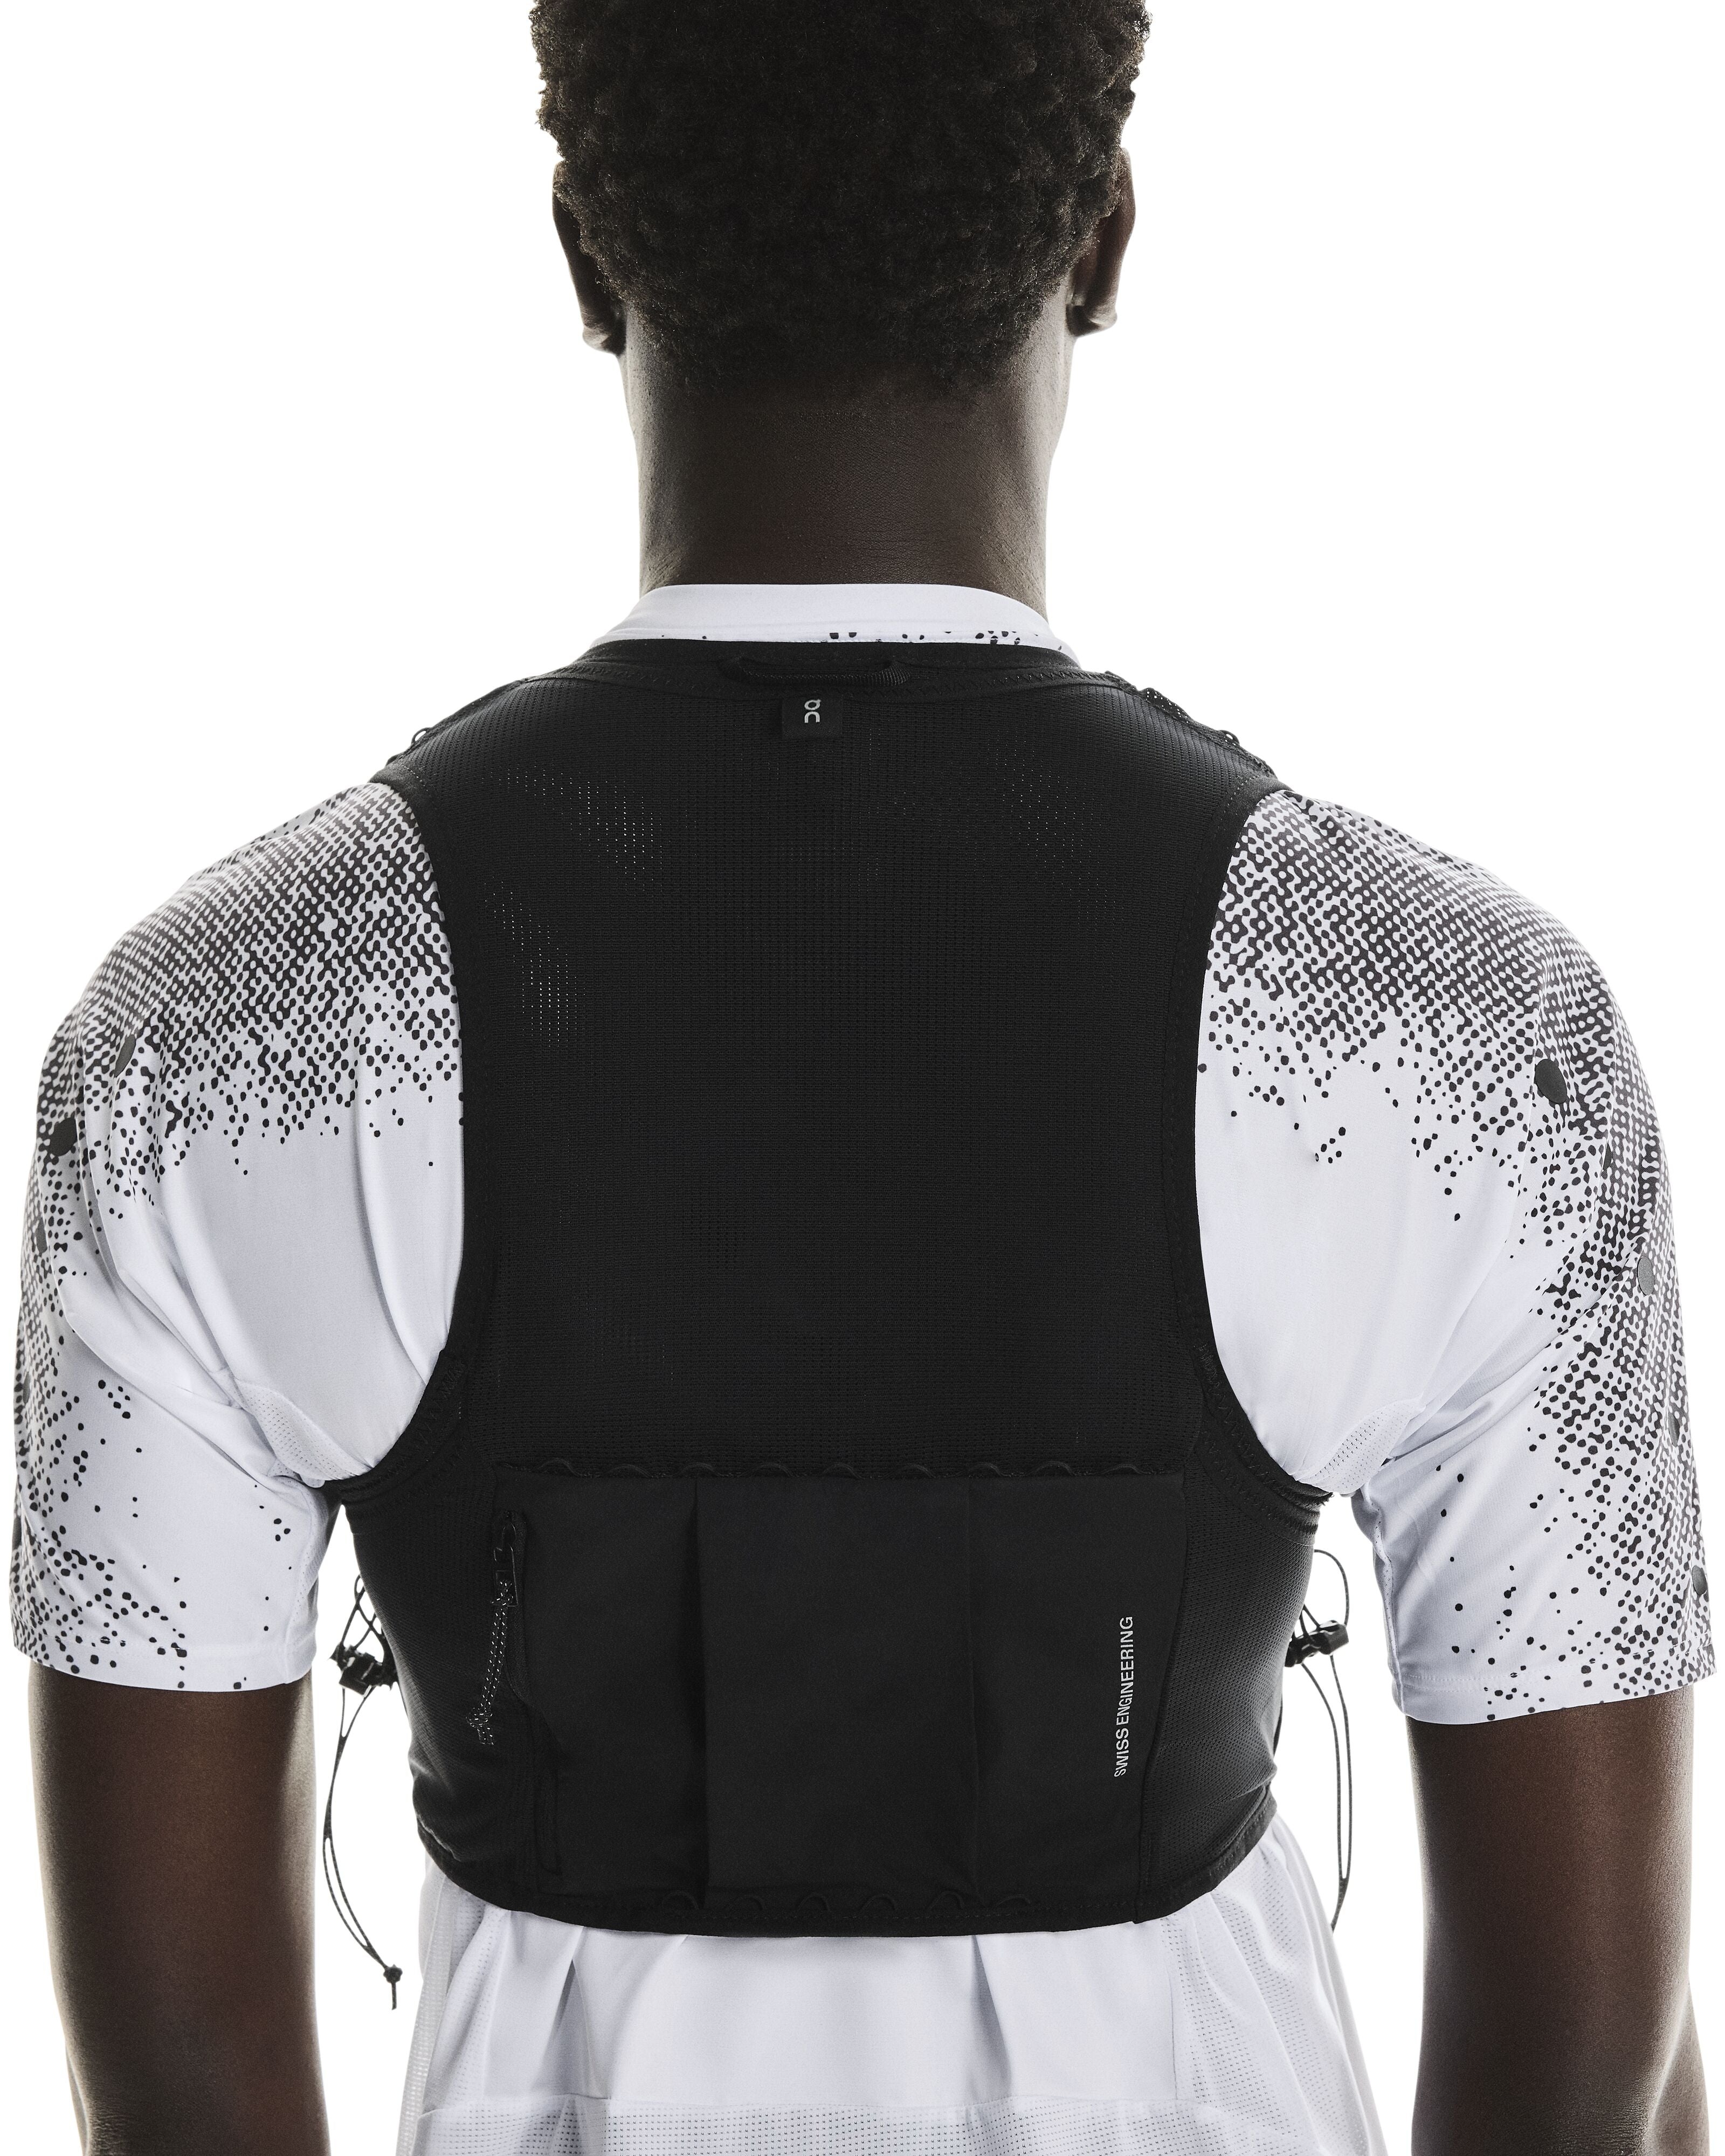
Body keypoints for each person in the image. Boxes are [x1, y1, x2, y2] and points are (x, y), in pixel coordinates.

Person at [13, 5, 1712, 2153]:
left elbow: (174, 2079)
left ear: (585, 254)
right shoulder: (1458, 1029)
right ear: (1103, 236)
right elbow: (1594, 2066)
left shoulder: (209, 1039)